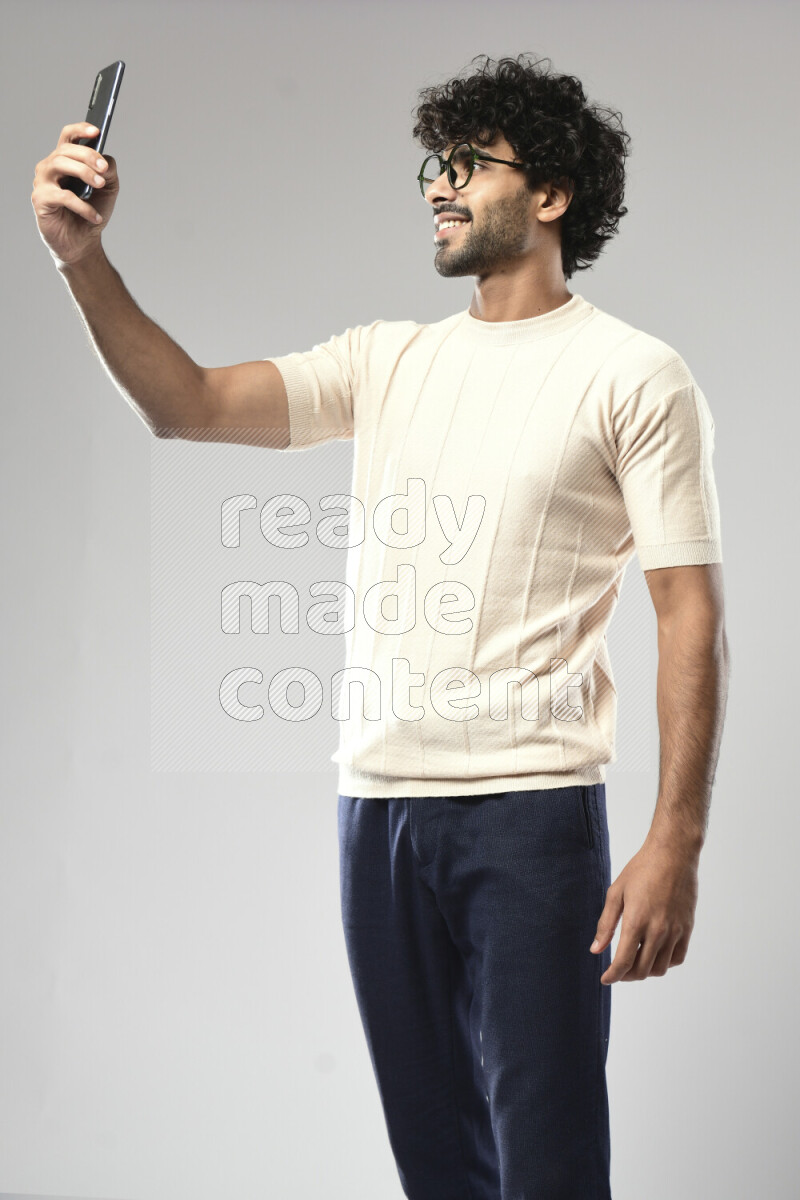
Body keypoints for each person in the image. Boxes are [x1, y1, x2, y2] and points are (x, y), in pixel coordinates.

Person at [32, 51, 729, 1200]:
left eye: (468, 165)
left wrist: (676, 841)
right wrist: (82, 261)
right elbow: (185, 404)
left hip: (531, 818)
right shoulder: (386, 361)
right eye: (432, 165)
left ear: (549, 195)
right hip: (377, 817)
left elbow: (687, 611)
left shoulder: (632, 376)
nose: (436, 187)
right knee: (437, 1172)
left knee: (546, 1167)